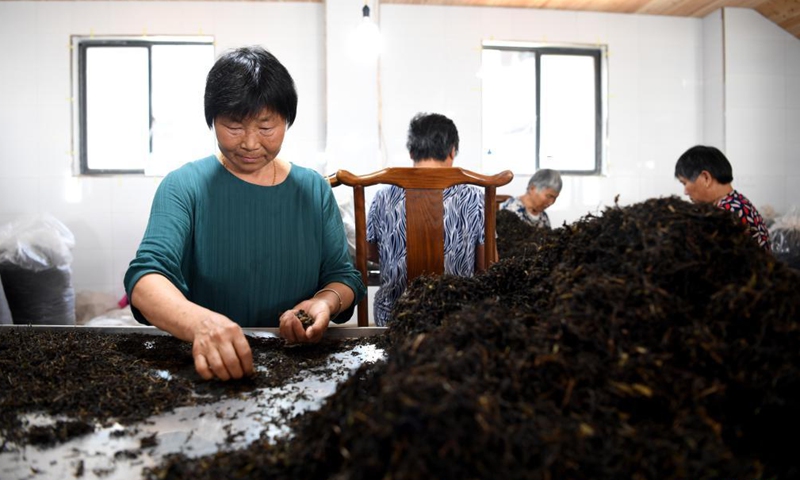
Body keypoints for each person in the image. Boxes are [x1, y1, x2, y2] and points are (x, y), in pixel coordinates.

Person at [124, 46, 366, 381]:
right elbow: (145, 280)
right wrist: (201, 325)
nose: (251, 143)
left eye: (266, 127)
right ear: (213, 120)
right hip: (208, 365)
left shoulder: (314, 190)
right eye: (234, 126)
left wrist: (325, 303)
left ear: (286, 121)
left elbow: (344, 277)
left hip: (298, 367)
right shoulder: (184, 186)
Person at [366, 113, 487, 327]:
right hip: (456, 321)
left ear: (412, 152)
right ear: (452, 151)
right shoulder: (475, 197)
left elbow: (372, 254)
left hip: (393, 320)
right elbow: (484, 263)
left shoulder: (383, 196)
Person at [675, 145, 771, 251]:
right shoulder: (736, 202)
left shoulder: (729, 211)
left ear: (705, 178)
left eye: (684, 183)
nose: (685, 192)